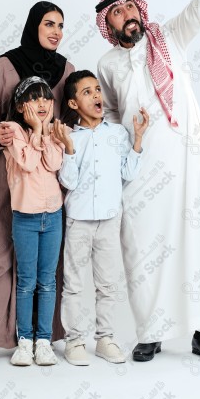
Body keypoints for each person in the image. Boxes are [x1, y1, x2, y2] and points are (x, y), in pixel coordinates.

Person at [95, 0, 200, 363]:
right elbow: (106, 114)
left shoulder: (168, 37)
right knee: (144, 248)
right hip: (142, 169)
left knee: (199, 242)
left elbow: (196, 12)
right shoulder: (107, 65)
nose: (127, 16)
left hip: (189, 159)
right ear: (110, 24)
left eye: (130, 8)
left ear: (141, 10)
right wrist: (123, 141)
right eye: (117, 13)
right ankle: (151, 333)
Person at [0, 1, 75, 372]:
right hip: (4, 179)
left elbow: (72, 120)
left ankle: (40, 337)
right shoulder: (5, 66)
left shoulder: (66, 71)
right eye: (49, 23)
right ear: (33, 26)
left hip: (47, 186)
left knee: (48, 269)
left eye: (61, 25)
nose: (56, 31)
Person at [54, 70, 149, 365]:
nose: (96, 95)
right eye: (87, 92)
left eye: (97, 89)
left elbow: (128, 173)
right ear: (72, 104)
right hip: (78, 221)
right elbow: (68, 182)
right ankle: (74, 342)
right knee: (74, 284)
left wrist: (138, 139)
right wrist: (68, 149)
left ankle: (105, 338)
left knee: (108, 284)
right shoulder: (70, 138)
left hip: (109, 220)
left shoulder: (118, 133)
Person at [4, 76, 63, 366]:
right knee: (26, 282)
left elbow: (53, 163)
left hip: (52, 215)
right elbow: (26, 163)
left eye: (46, 98)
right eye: (34, 98)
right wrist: (38, 130)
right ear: (19, 106)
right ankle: (24, 340)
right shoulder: (12, 130)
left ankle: (44, 340)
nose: (42, 103)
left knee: (48, 281)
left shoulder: (55, 131)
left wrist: (45, 131)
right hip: (25, 217)